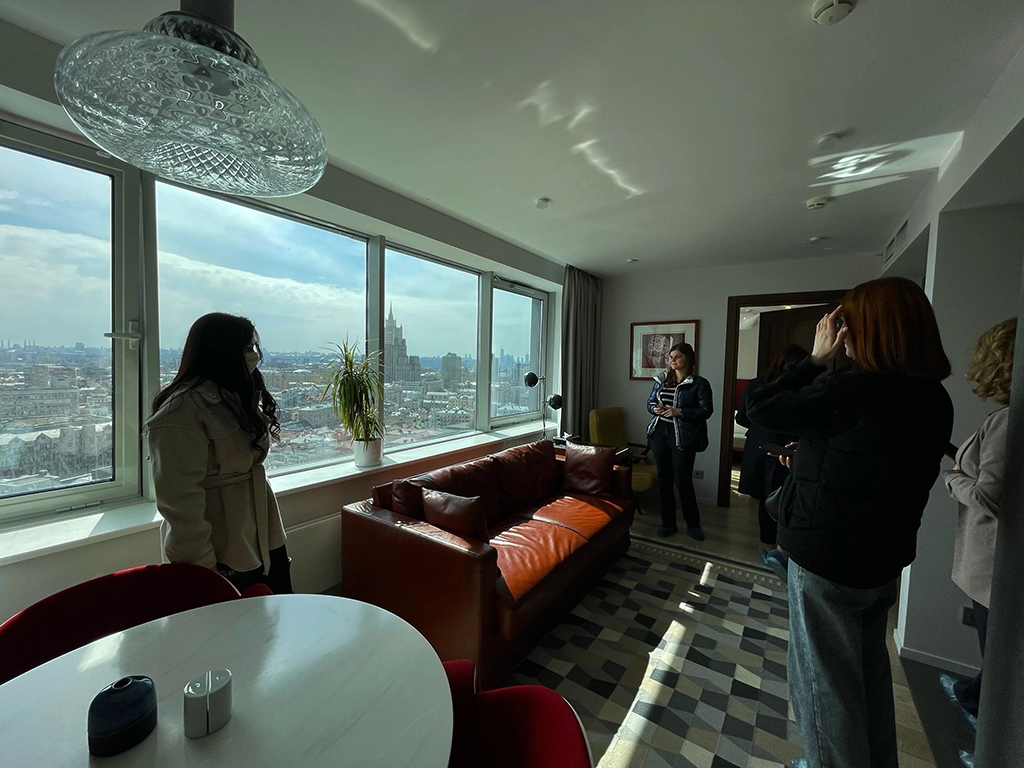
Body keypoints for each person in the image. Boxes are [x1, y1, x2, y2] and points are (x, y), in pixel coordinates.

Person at [746, 277, 953, 768]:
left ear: (869, 330)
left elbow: (757, 408)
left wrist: (814, 360)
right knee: (867, 677)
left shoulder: (852, 388)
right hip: (882, 559)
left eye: (846, 325)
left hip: (827, 563)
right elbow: (876, 462)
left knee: (822, 689)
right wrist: (814, 454)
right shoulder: (932, 398)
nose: (841, 336)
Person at [146, 313, 293, 594]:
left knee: (276, 611)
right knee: (236, 618)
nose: (253, 355)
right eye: (246, 348)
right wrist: (203, 570)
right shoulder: (180, 411)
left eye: (253, 347)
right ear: (221, 350)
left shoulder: (235, 395)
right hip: (224, 546)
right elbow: (180, 504)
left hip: (264, 533)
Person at [939, 317, 1014, 767]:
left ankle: (993, 750)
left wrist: (953, 477)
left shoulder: (1008, 421)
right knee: (999, 658)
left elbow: (989, 495)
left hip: (997, 564)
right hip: (1000, 562)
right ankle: (973, 695)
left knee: (1002, 662)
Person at [735, 344, 809, 576]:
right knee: (788, 498)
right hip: (787, 447)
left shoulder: (757, 384)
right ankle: (783, 550)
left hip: (760, 444)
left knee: (766, 500)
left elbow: (742, 418)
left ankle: (770, 549)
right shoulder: (804, 386)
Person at [646, 342, 714, 540]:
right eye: (670, 357)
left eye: (677, 357)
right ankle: (668, 523)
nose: (672, 360)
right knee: (664, 480)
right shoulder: (662, 380)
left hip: (683, 436)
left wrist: (680, 412)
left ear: (688, 359)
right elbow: (650, 402)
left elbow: (706, 411)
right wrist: (654, 408)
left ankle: (693, 524)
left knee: (683, 481)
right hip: (659, 433)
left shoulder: (699, 383)